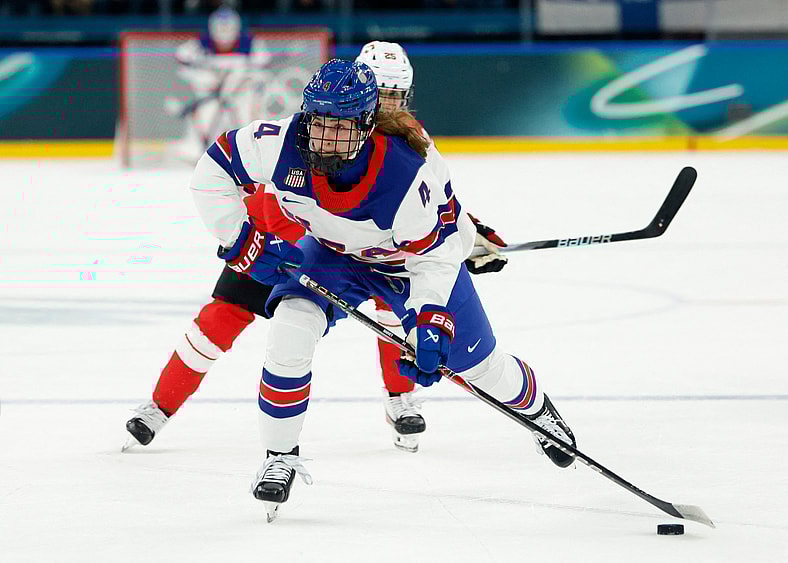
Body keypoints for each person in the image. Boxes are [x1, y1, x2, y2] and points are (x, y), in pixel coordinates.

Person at [187, 58, 576, 520]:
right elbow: (211, 171)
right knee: (290, 328)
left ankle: (537, 412)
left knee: (480, 367)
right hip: (333, 256)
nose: (326, 137)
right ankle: (279, 458)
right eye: (320, 122)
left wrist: (433, 320)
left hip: (412, 265)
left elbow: (440, 254)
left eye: (342, 126)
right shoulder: (278, 141)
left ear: (367, 126)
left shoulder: (408, 173)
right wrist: (240, 239)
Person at [124, 42, 509, 455]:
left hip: (356, 255)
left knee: (396, 307)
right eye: (383, 93)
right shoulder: (320, 126)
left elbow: (433, 209)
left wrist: (469, 235)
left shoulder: (408, 141)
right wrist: (246, 241)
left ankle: (399, 399)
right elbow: (254, 177)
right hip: (281, 247)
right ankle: (160, 407)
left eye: (398, 95)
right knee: (219, 320)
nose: (390, 104)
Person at [169, 6, 271, 163]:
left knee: (248, 118)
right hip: (211, 96)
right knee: (204, 117)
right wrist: (204, 77)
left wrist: (242, 80)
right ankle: (201, 152)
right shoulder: (200, 44)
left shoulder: (250, 44)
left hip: (240, 96)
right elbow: (182, 60)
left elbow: (262, 68)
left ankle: (254, 153)